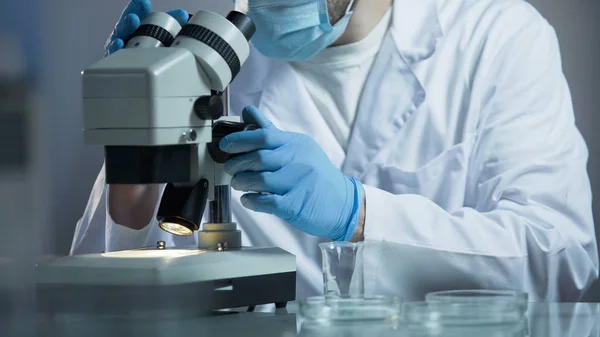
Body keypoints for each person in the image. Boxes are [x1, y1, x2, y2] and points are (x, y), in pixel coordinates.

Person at [71, 0, 599, 301]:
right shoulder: (210, 67)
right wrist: (133, 176)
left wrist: (360, 213)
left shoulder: (497, 38)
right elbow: (100, 300)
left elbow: (563, 263)